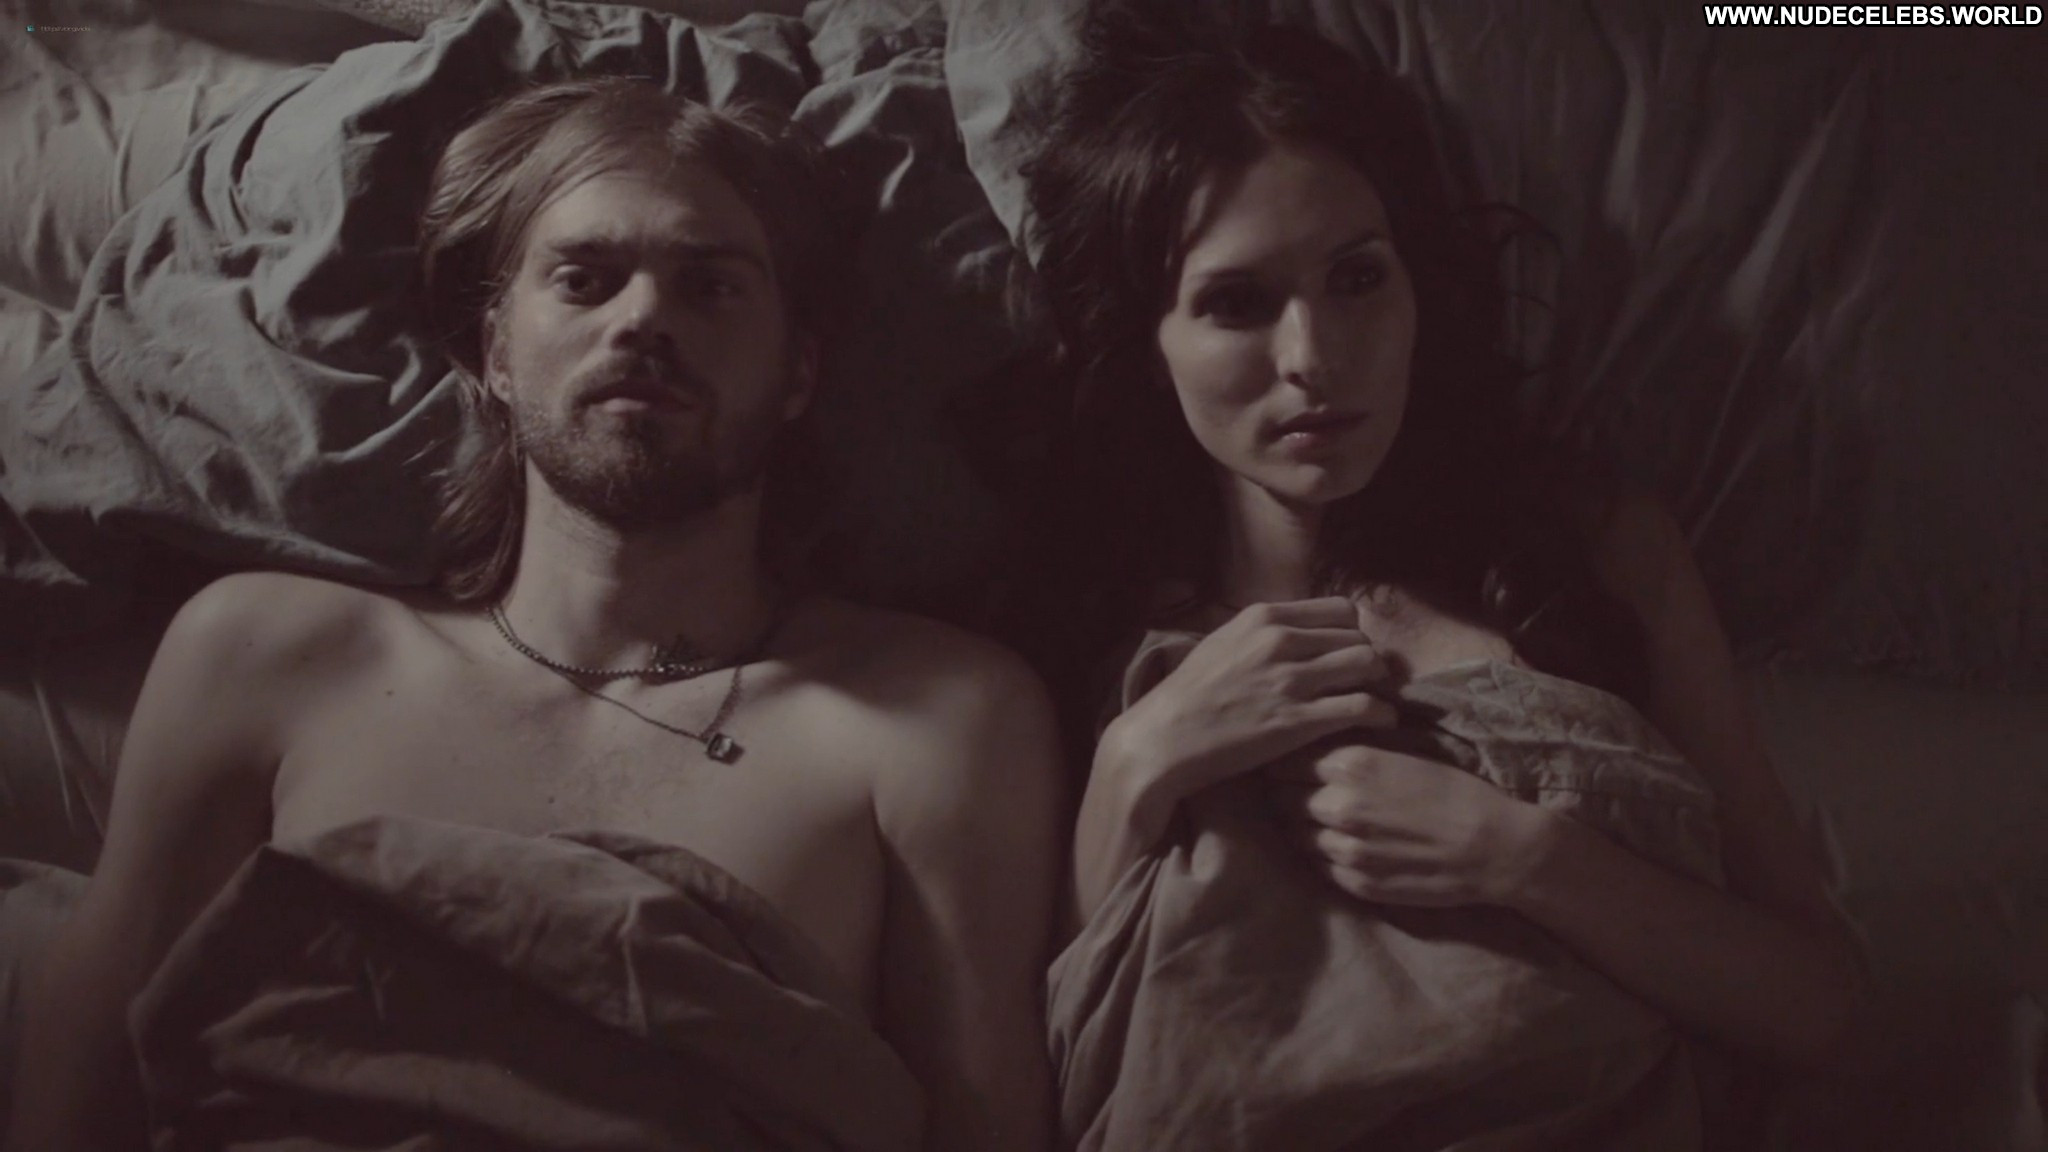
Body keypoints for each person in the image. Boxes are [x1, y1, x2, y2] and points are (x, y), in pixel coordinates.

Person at [7, 78, 1061, 1152]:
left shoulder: (936, 718)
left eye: (711, 287)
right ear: (496, 354)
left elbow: (983, 1129)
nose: (642, 319)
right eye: (583, 280)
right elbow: (76, 1099)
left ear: (798, 372)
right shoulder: (261, 653)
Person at [1021, 8, 1865, 1148]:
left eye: (1358, 278)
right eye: (1235, 302)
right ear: (1143, 342)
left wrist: (1524, 857)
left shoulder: (1591, 550)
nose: (1314, 357)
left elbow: (1818, 1007)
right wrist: (1137, 764)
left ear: (1420, 289)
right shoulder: (1074, 630)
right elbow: (1053, 1064)